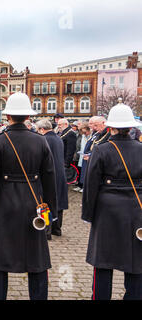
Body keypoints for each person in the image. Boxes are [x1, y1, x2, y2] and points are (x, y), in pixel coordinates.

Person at [0, 87, 57, 300]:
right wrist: (50, 212)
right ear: (28, 115)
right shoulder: (40, 140)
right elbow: (50, 178)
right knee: (37, 260)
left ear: (7, 115)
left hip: (5, 204)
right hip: (34, 203)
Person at [82, 101, 142, 300]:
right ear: (131, 126)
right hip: (136, 207)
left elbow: (91, 185)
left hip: (107, 208)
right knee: (135, 261)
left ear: (111, 126)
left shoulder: (102, 149)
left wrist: (88, 215)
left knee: (103, 262)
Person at [35, 119, 68, 239]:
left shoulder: (44, 139)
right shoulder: (58, 138)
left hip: (49, 174)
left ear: (42, 129)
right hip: (60, 173)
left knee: (46, 202)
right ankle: (57, 228)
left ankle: (47, 231)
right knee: (58, 201)